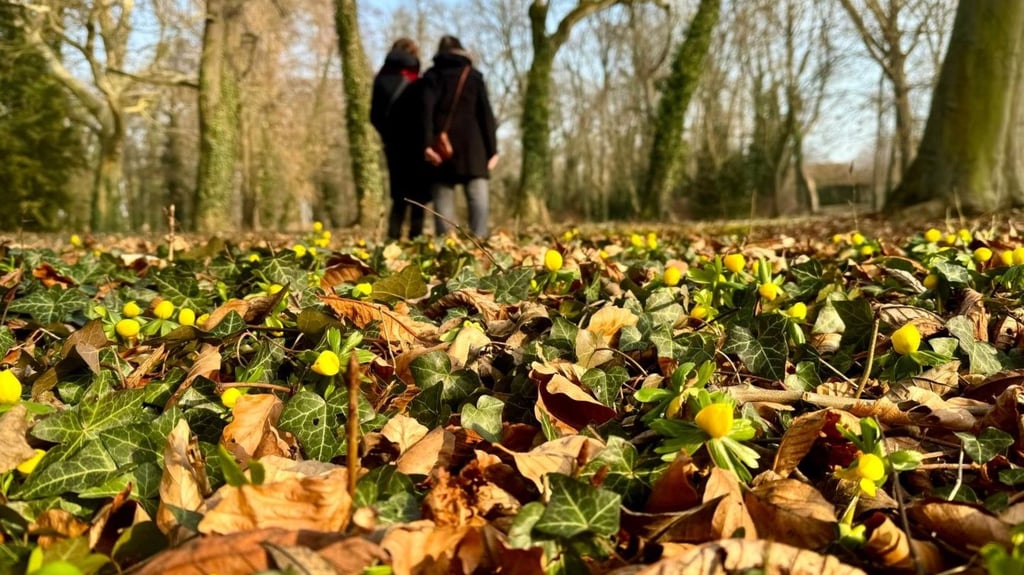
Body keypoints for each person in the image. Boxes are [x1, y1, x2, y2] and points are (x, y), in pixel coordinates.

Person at [420, 35, 498, 239]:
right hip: (474, 146)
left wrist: (427, 144)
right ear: (461, 50)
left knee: (443, 196)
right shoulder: (473, 75)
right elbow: (486, 115)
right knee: (477, 196)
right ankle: (479, 240)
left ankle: (447, 245)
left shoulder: (432, 75)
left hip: (441, 147)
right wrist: (492, 150)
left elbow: (425, 111)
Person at [371, 38, 430, 240]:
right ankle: (417, 238)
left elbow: (374, 115)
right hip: (418, 144)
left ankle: (393, 237)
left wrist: (388, 134)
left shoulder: (381, 78)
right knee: (419, 195)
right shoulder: (419, 80)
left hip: (393, 145)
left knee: (398, 194)